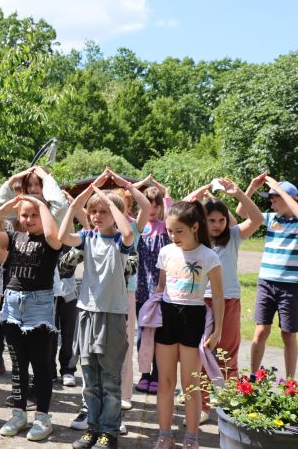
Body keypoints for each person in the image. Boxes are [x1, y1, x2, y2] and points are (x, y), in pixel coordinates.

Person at [60, 171, 134, 449]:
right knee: (89, 378)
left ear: (115, 214)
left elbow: (127, 231)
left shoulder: (121, 241)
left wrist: (105, 195)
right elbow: (59, 236)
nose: (98, 215)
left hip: (112, 315)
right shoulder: (87, 237)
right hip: (86, 313)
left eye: (104, 211)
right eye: (94, 211)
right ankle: (92, 428)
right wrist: (76, 203)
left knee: (110, 380)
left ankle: (109, 432)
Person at [0, 194, 62, 441]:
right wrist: (5, 207)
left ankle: (43, 418)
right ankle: (18, 414)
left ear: (44, 215)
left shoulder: (51, 240)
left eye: (34, 214)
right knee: (18, 366)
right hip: (13, 305)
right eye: (25, 215)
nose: (29, 219)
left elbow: (53, 235)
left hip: (39, 307)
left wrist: (40, 204)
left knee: (40, 366)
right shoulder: (14, 237)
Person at [186, 178, 263, 421]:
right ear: (201, 222)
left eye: (221, 220)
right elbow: (179, 209)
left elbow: (257, 219)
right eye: (212, 220)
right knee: (199, 354)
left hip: (228, 302)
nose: (218, 225)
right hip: (200, 303)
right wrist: (199, 193)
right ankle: (204, 405)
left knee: (227, 353)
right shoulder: (194, 239)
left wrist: (239, 193)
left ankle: (229, 403)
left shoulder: (234, 236)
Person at [149, 201, 223, 449]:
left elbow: (219, 297)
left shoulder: (209, 256)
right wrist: (149, 317)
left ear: (194, 227)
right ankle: (164, 435)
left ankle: (191, 438)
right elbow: (160, 289)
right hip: (167, 318)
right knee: (166, 382)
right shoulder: (166, 252)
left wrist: (217, 330)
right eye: (170, 231)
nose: (173, 236)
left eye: (179, 231)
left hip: (194, 319)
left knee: (190, 384)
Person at [242, 175, 298, 378]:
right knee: (261, 331)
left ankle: (290, 382)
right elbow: (242, 212)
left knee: (288, 334)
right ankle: (253, 377)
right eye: (271, 200)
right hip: (266, 283)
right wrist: (251, 187)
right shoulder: (270, 218)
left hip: (291, 286)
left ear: (290, 198)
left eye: (276, 200)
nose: (272, 204)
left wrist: (279, 188)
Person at [133, 178, 171, 395]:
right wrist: (139, 186)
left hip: (160, 290)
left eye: (157, 205)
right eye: (149, 204)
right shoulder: (138, 227)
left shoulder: (166, 227)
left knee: (159, 334)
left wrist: (161, 189)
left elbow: (170, 205)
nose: (153, 209)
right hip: (140, 290)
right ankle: (145, 374)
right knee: (142, 336)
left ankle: (157, 375)